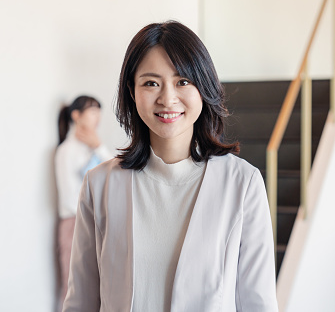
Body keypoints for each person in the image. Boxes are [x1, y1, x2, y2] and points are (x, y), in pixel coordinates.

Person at [63, 21, 278, 311]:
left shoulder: (243, 183)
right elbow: (81, 303)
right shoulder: (99, 184)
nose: (167, 98)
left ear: (203, 87)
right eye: (151, 83)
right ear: (132, 90)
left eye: (183, 81)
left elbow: (258, 303)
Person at [55, 95, 112, 309]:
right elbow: (71, 198)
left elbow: (116, 177)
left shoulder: (91, 148)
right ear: (76, 116)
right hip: (74, 223)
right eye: (92, 111)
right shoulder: (66, 151)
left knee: (93, 287)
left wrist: (98, 146)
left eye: (99, 112)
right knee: (72, 287)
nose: (97, 117)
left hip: (93, 223)